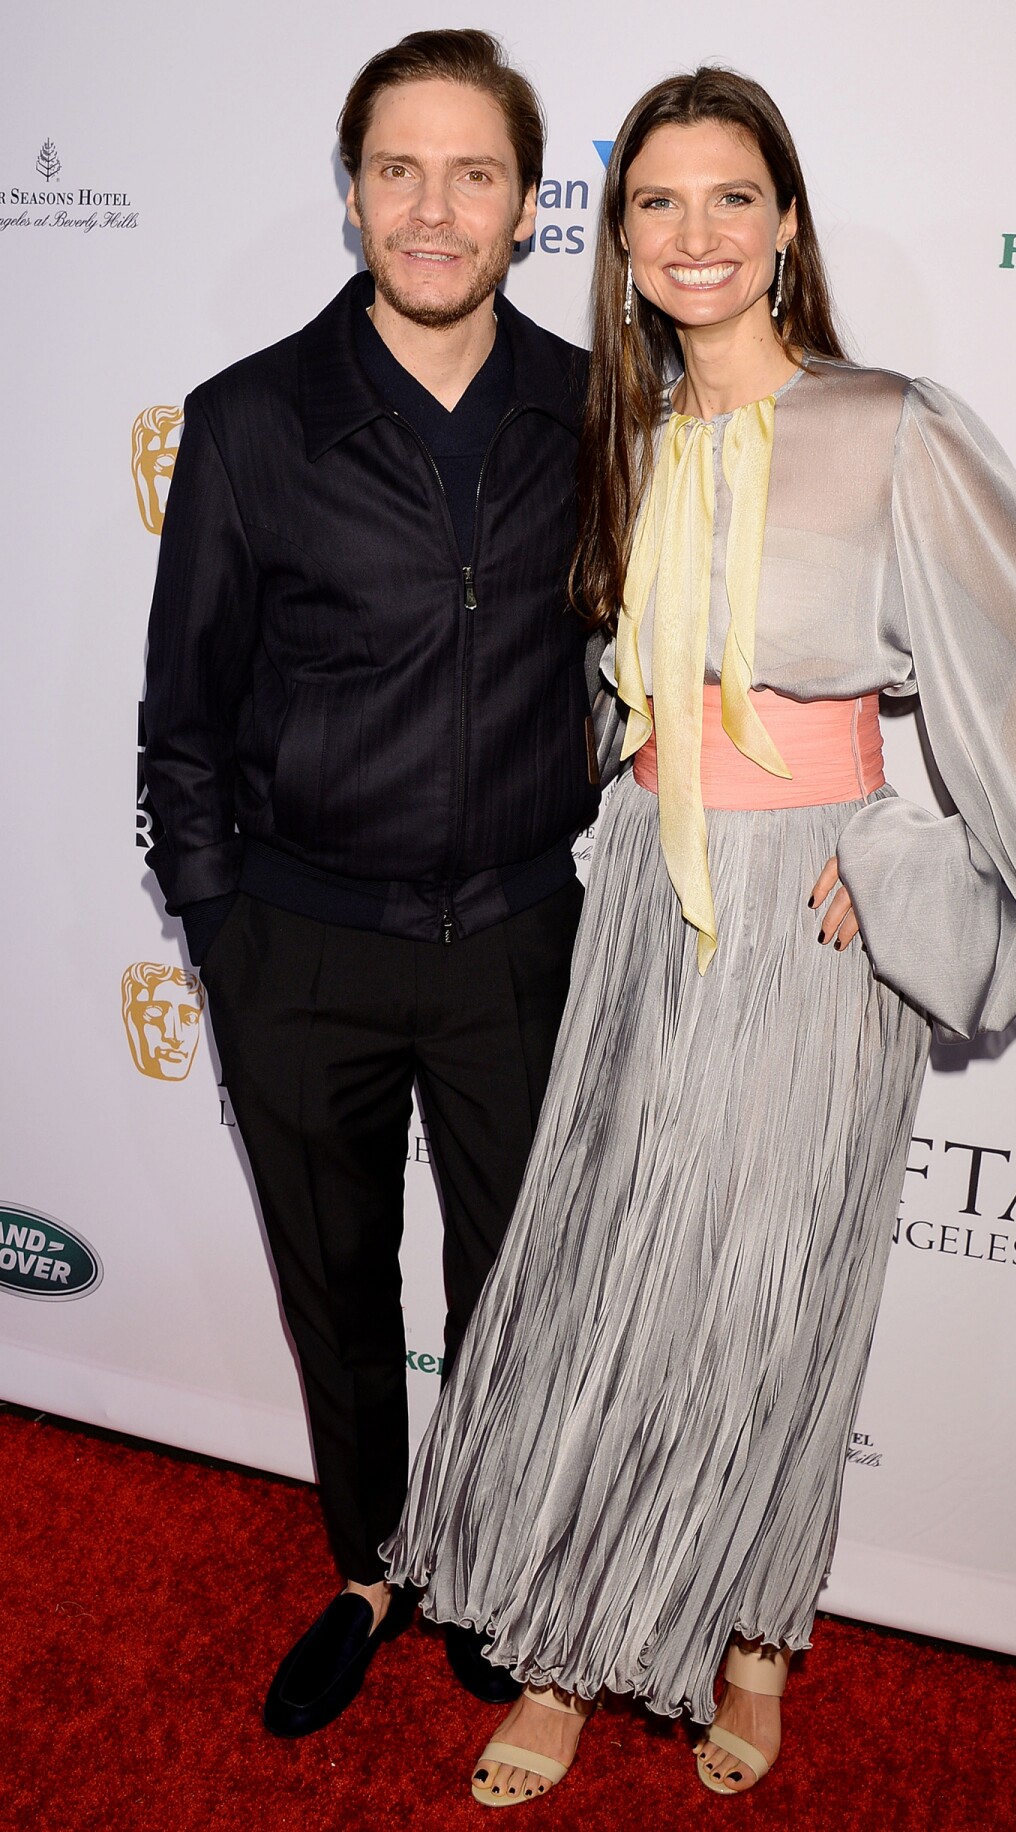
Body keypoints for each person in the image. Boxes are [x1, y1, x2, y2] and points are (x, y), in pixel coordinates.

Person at [383, 66, 1016, 1805]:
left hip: (810, 918)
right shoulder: (620, 436)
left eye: (729, 199)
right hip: (645, 892)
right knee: (602, 1273)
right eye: (655, 204)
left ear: (784, 226)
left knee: (776, 1298)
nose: (693, 235)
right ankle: (563, 1638)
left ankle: (755, 1637)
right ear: (617, 243)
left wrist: (924, 865)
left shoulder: (890, 423)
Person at [141, 30, 599, 1736]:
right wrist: (225, 933)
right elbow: (180, 715)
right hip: (301, 950)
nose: (433, 206)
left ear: (529, 208)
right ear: (351, 199)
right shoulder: (252, 419)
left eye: (472, 171)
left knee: (522, 1291)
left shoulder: (597, 411)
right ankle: (374, 1561)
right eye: (398, 170)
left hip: (516, 945)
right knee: (339, 1293)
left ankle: (481, 1563)